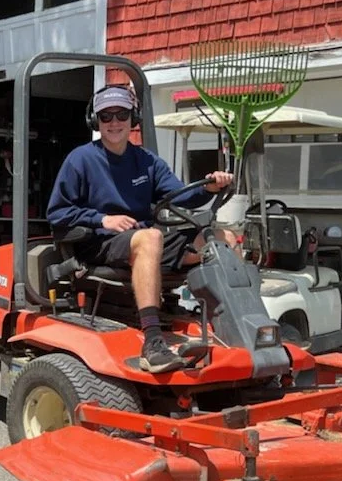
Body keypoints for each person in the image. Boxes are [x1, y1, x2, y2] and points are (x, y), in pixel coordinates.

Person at [46, 84, 234, 373]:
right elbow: (57, 213)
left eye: (121, 114)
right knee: (152, 236)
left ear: (132, 118)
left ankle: (233, 326)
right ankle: (153, 342)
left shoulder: (146, 161)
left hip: (143, 241)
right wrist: (102, 219)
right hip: (98, 244)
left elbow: (181, 196)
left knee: (222, 238)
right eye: (106, 116)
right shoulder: (81, 159)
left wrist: (209, 186)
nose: (114, 123)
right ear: (95, 121)